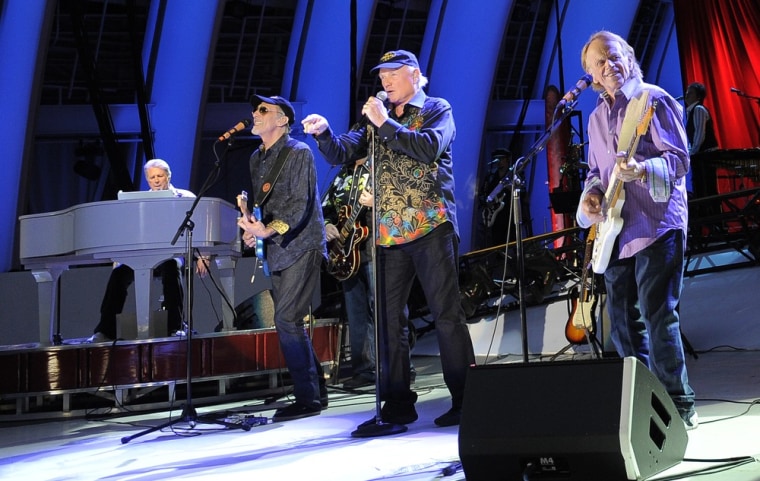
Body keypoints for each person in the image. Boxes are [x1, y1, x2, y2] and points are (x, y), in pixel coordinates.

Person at [302, 49, 476, 427]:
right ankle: (397, 405)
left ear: (414, 74)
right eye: (381, 76)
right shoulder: (377, 117)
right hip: (387, 234)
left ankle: (467, 400)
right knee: (389, 322)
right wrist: (324, 133)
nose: (384, 82)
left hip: (431, 225)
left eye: (392, 74)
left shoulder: (436, 108)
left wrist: (383, 123)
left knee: (446, 315)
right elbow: (343, 153)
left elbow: (428, 147)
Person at [575, 31, 698, 430]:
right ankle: (645, 404)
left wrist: (644, 169)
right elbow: (597, 173)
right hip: (616, 232)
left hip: (657, 223)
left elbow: (679, 160)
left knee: (658, 313)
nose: (607, 65)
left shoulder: (653, 99)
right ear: (591, 75)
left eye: (613, 56)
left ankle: (679, 407)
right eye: (598, 62)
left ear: (627, 55)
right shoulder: (594, 117)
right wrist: (592, 195)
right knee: (622, 324)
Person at [237, 94, 328, 422]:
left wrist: (268, 229)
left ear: (282, 120)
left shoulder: (298, 151)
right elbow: (266, 206)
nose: (255, 114)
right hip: (277, 248)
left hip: (302, 243)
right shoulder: (256, 157)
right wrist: (252, 227)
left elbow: (299, 204)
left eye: (264, 110)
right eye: (255, 109)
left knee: (286, 319)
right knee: (290, 322)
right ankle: (317, 391)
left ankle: (307, 398)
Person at [87, 158, 210, 343]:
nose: (157, 180)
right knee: (118, 275)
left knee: (172, 268)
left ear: (168, 176)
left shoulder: (186, 197)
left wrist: (205, 255)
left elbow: (201, 227)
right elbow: (128, 231)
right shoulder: (139, 201)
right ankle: (105, 330)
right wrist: (118, 257)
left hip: (171, 254)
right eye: (152, 177)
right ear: (147, 179)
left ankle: (176, 326)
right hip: (143, 254)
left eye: (160, 176)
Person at [322, 159, 377, 389]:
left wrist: (377, 202)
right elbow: (325, 207)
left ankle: (396, 366)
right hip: (347, 252)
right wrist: (325, 224)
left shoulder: (378, 167)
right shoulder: (341, 175)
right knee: (356, 313)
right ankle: (363, 369)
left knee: (383, 309)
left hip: (377, 244)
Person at [683, 81, 719, 197]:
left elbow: (699, 135)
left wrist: (692, 154)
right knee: (700, 186)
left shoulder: (698, 109)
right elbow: (693, 138)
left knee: (707, 187)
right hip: (700, 155)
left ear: (698, 96)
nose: (687, 94)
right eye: (687, 92)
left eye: (690, 93)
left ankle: (712, 212)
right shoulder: (691, 111)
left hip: (705, 155)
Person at [479, 148, 514, 246]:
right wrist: (486, 202)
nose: (499, 162)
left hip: (509, 214)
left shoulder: (513, 175)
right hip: (494, 216)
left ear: (507, 160)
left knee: (510, 242)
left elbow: (522, 193)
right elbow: (482, 193)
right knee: (495, 243)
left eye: (501, 159)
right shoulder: (490, 176)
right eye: (496, 159)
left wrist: (511, 188)